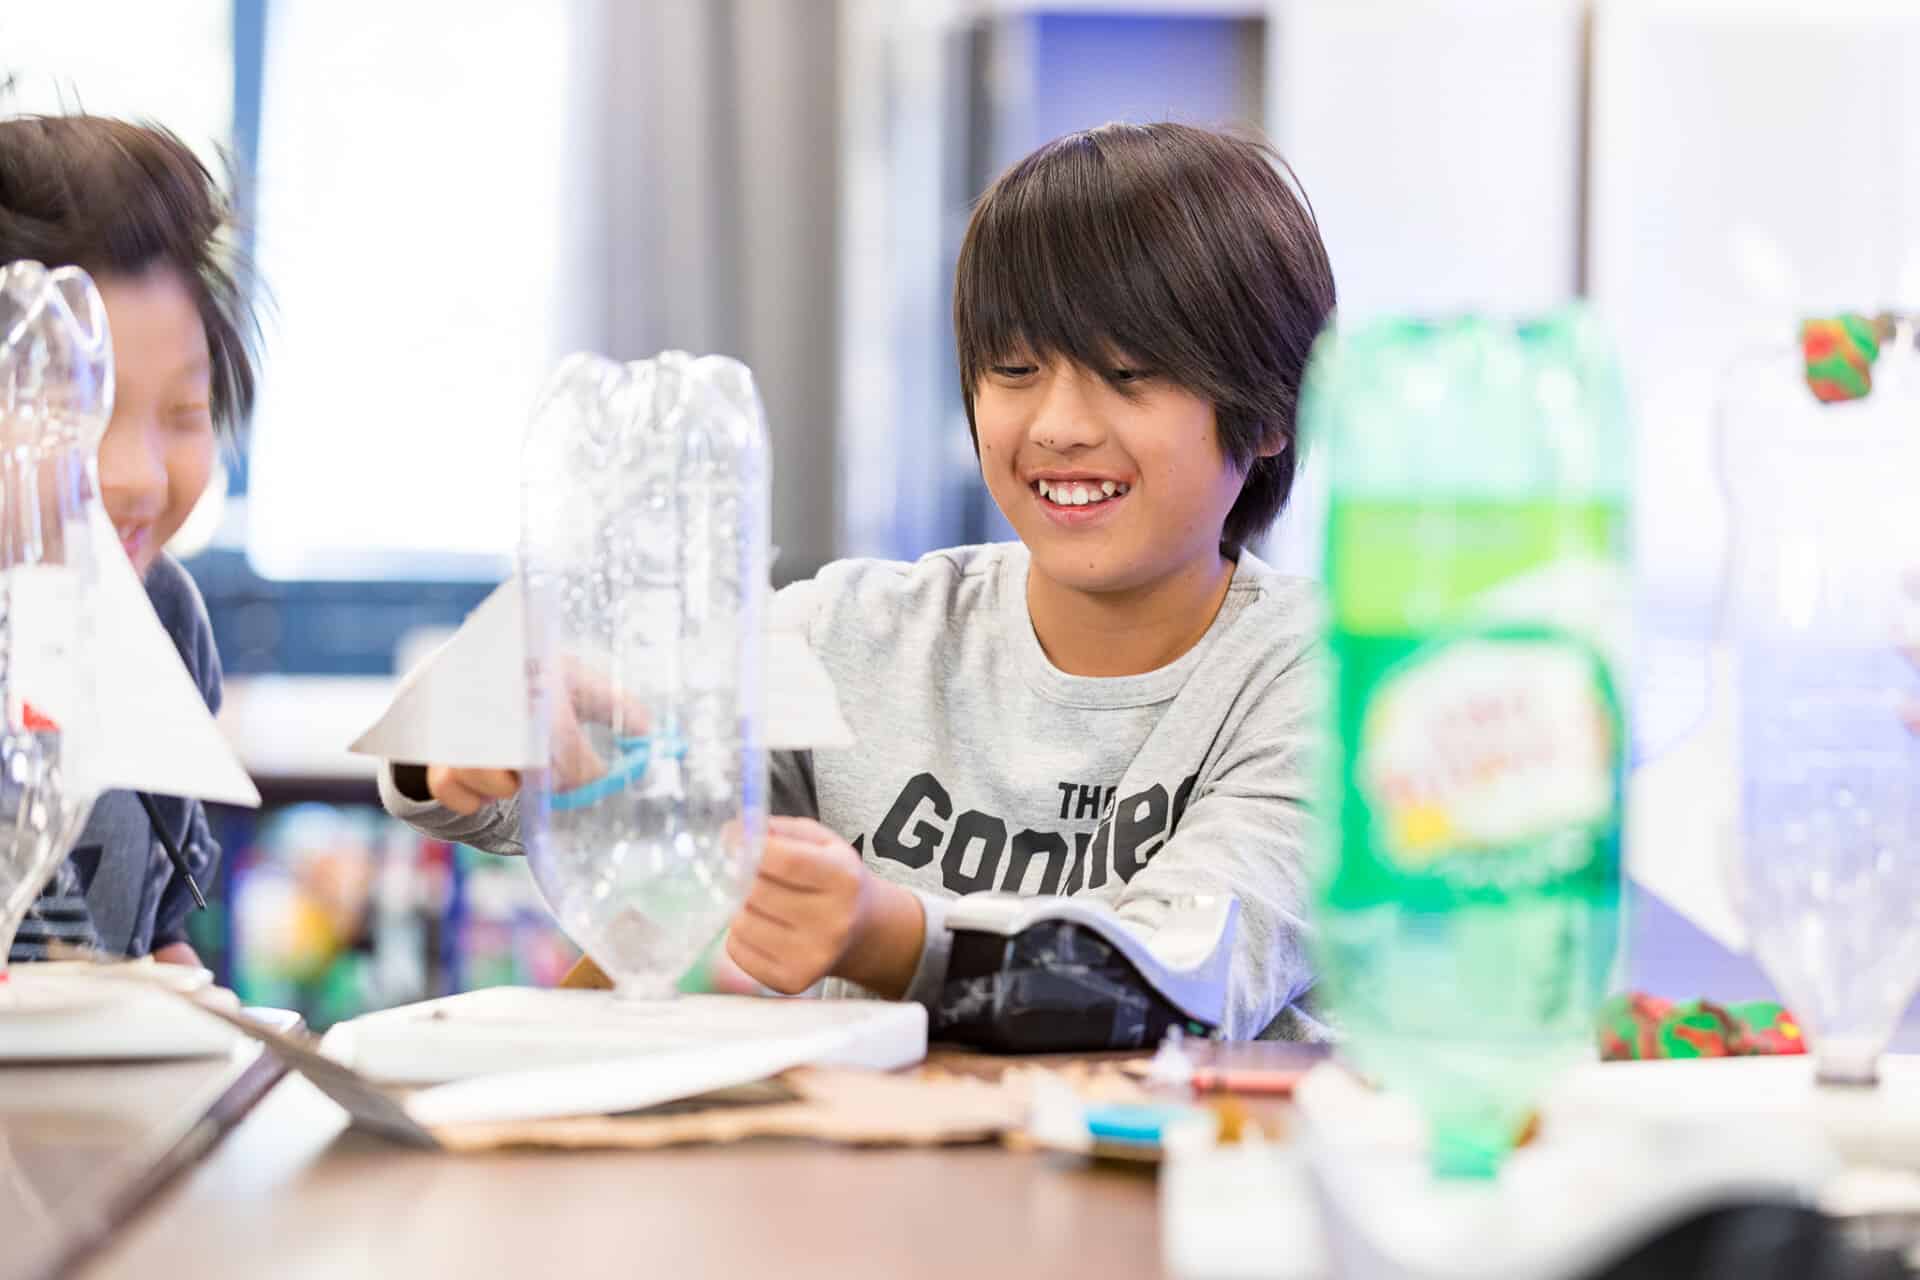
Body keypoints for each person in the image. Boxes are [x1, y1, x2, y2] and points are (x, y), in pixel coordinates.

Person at [383, 122, 1336, 1038]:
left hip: (1186, 1190)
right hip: (868, 1182)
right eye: (1013, 368)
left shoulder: (1320, 682)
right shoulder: (859, 634)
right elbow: (575, 769)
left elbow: (1190, 981)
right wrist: (469, 733)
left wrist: (887, 937)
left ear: (1266, 416)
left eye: (1128, 374)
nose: (1058, 424)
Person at [1, 114, 254, 966]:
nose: (140, 475)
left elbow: (155, 937)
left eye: (183, 415)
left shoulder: (163, 618)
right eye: (84, 413)